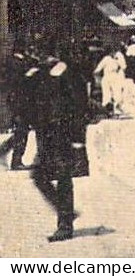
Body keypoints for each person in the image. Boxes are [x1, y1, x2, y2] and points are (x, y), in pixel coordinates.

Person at [30, 46, 89, 242]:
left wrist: (78, 139)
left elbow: (80, 106)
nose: (41, 56)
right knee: (39, 174)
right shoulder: (43, 73)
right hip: (46, 132)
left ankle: (65, 225)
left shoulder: (68, 72)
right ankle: (67, 214)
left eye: (44, 53)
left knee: (63, 176)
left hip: (63, 132)